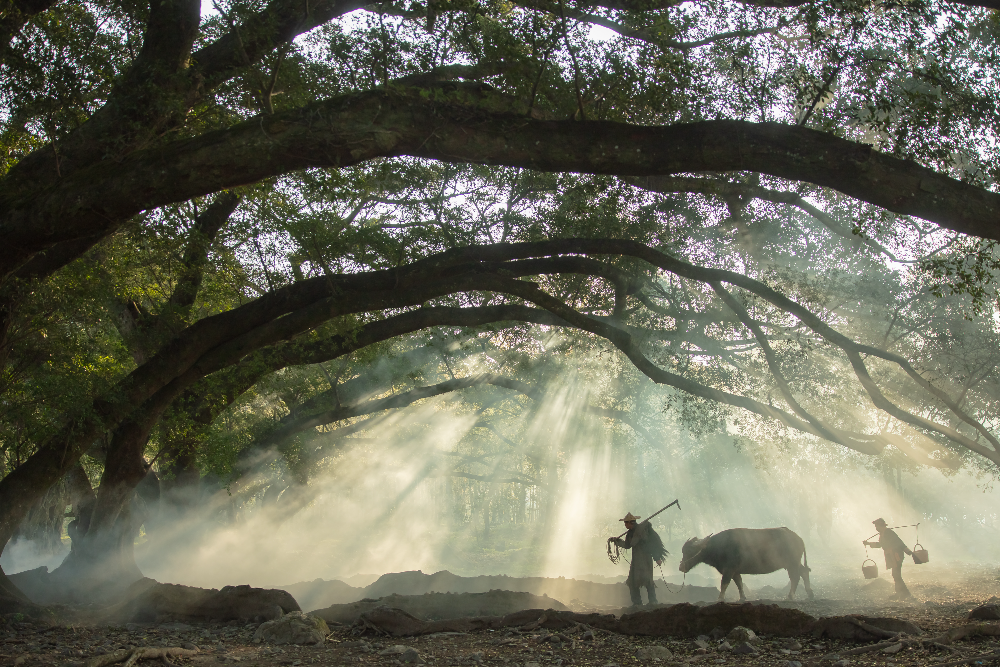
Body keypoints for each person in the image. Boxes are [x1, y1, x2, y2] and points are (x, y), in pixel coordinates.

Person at [609, 512, 668, 607]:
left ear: (630, 523)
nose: (625, 525)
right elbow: (628, 545)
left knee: (648, 580)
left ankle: (653, 601)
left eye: (626, 523)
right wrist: (617, 541)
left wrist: (657, 558)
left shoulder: (642, 531)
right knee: (632, 581)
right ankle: (637, 603)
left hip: (645, 559)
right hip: (636, 561)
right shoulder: (630, 533)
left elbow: (651, 544)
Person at [864, 518, 913, 600]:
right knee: (895, 574)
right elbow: (880, 545)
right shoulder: (883, 534)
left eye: (877, 526)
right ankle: (901, 593)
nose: (876, 528)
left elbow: (899, 542)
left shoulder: (889, 533)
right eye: (875, 526)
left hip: (896, 555)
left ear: (882, 526)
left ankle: (904, 593)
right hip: (891, 556)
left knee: (896, 574)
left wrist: (908, 551)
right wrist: (868, 543)